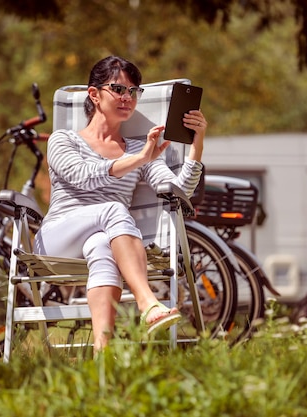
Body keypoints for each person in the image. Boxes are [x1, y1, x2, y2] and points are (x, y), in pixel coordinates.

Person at [34, 56, 207, 352]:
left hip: (105, 237)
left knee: (102, 244)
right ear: (94, 94)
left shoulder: (142, 148)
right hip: (57, 239)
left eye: (133, 91)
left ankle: (103, 353)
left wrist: (197, 144)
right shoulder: (63, 140)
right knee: (114, 209)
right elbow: (84, 177)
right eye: (118, 89)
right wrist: (138, 160)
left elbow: (177, 191)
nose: (127, 98)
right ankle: (147, 302)